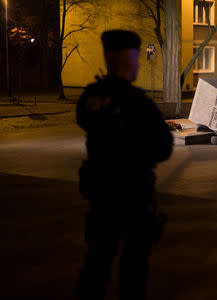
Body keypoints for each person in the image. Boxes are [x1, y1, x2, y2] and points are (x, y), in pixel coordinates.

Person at [75, 29, 173, 300]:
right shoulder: (138, 103)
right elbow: (164, 148)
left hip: (100, 193)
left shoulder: (89, 97)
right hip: (133, 196)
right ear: (128, 60)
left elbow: (84, 122)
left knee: (96, 262)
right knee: (134, 266)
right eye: (137, 58)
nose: (140, 64)